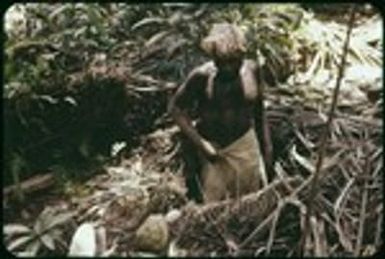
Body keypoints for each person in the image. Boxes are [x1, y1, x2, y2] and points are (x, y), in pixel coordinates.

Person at [168, 23, 273, 203]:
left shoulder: (253, 70)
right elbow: (176, 109)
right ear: (213, 57)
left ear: (242, 54)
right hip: (215, 152)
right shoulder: (202, 76)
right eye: (221, 62)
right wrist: (202, 145)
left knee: (251, 203)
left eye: (233, 61)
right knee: (214, 208)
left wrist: (267, 147)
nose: (227, 68)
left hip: (246, 148)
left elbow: (259, 111)